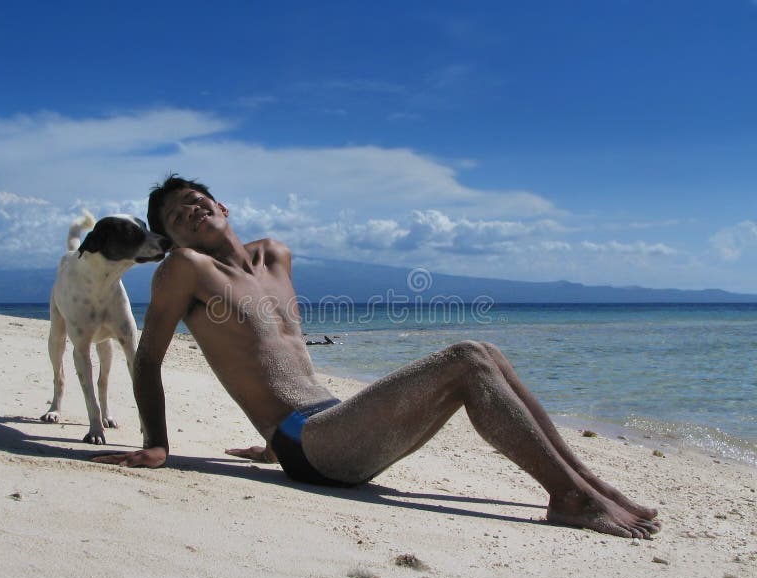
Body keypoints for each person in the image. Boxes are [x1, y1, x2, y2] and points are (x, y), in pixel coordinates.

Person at [93, 175, 661, 539]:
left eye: (195, 202)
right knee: (468, 356)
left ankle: (590, 486)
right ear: (174, 239)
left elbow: (275, 355)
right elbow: (148, 358)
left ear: (221, 204)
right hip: (308, 445)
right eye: (175, 218)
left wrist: (263, 442)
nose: (190, 212)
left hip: (336, 423)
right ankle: (568, 496)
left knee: (485, 351)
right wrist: (156, 444)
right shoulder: (186, 270)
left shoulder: (276, 256)